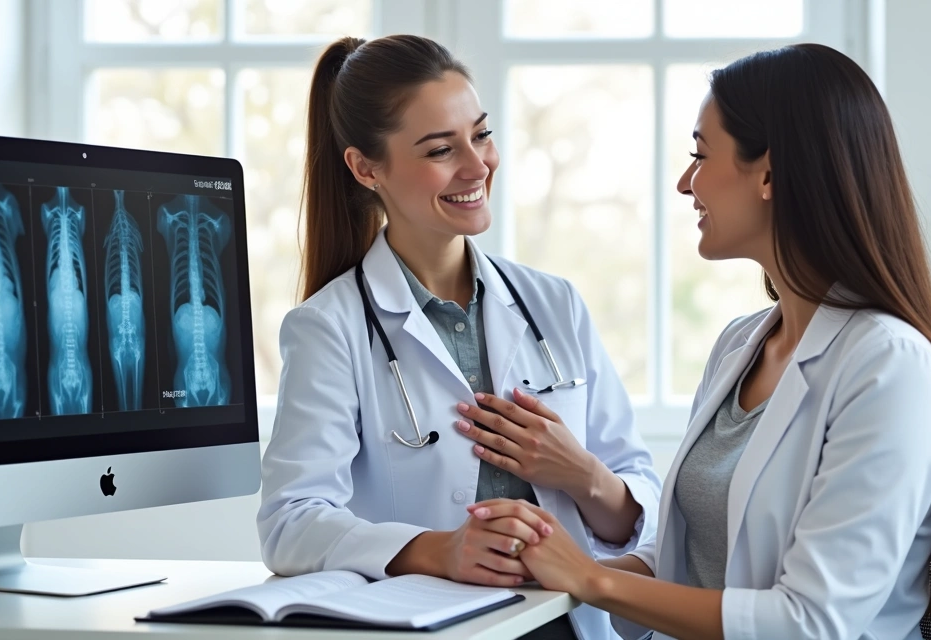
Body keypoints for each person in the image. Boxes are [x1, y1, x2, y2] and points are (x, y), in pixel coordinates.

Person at [469, 43, 931, 640]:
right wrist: (547, 568)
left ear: (769, 173)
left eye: (700, 155)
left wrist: (592, 579)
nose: (686, 183)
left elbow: (811, 622)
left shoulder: (889, 365)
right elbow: (685, 561)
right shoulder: (742, 345)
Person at [256, 34, 662, 640]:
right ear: (366, 168)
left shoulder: (554, 304)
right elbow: (289, 522)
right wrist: (438, 550)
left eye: (482, 135)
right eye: (441, 149)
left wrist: (584, 475)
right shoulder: (328, 329)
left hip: (571, 627)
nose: (477, 167)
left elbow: (642, 497)